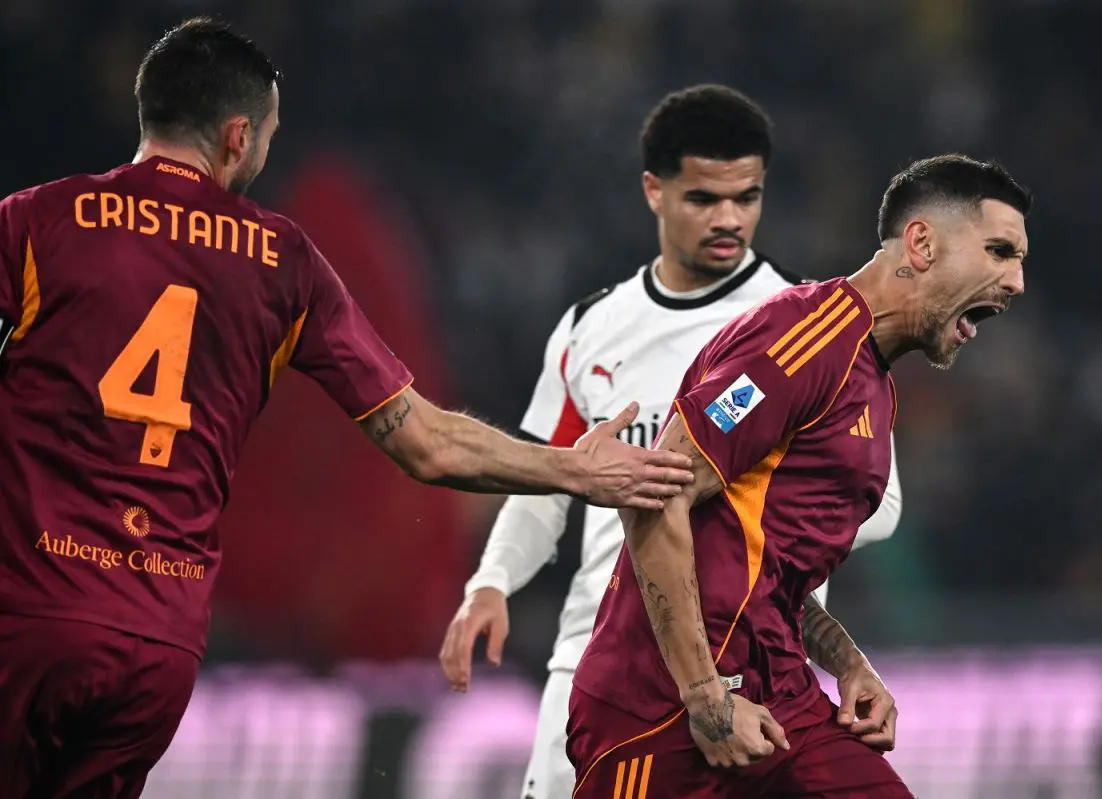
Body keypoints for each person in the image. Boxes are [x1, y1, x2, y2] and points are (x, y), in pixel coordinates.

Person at [0, 18, 694, 799]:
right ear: (238, 136)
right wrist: (572, 467)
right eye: (267, 135)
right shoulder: (281, 262)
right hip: (156, 645)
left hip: (34, 611)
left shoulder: (39, 221)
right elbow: (427, 441)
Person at [438, 84, 903, 799]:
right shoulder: (592, 327)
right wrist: (492, 581)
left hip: (749, 669)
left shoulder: (805, 324)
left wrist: (746, 524)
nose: (729, 219)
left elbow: (881, 503)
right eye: (703, 199)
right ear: (654, 190)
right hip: (603, 657)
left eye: (747, 197)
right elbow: (545, 482)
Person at [567, 153, 1031, 798]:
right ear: (922, 243)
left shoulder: (874, 386)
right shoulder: (804, 341)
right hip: (662, 708)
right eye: (999, 251)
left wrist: (847, 661)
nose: (1017, 282)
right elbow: (655, 496)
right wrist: (704, 695)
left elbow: (767, 568)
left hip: (780, 702)